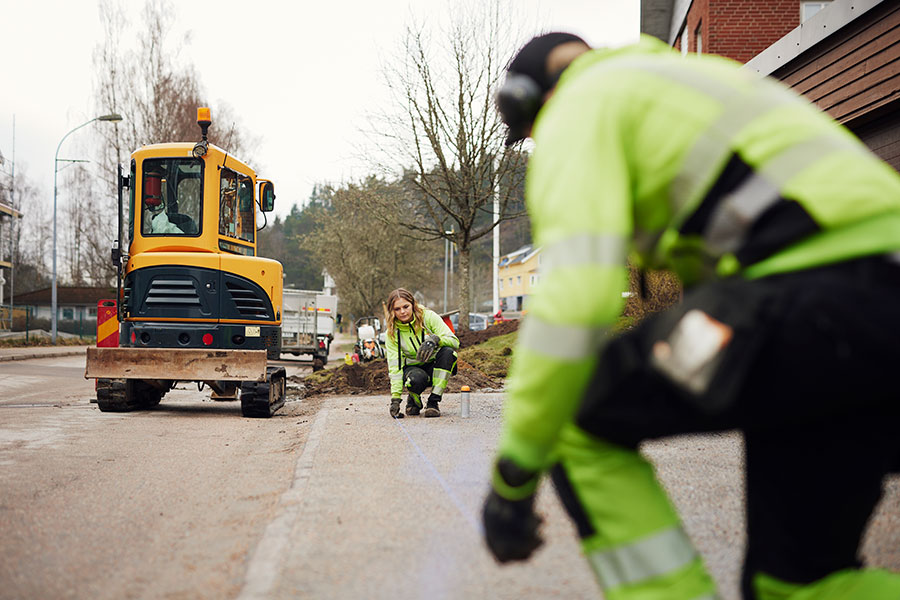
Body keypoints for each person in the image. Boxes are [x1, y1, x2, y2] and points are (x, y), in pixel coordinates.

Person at [482, 32, 900, 600]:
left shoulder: (580, 105)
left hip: (812, 294)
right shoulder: (694, 81)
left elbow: (576, 301)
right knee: (797, 586)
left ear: (531, 101)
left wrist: (515, 472)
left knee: (575, 416)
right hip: (861, 305)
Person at [384, 288, 459, 419]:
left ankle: (433, 402)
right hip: (412, 369)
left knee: (448, 353)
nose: (402, 312)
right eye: (397, 309)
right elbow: (395, 366)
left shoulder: (428, 317)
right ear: (392, 311)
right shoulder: (392, 333)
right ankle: (414, 400)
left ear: (413, 304)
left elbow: (454, 342)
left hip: (433, 365)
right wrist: (395, 399)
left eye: (406, 306)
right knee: (416, 379)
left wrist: (437, 340)